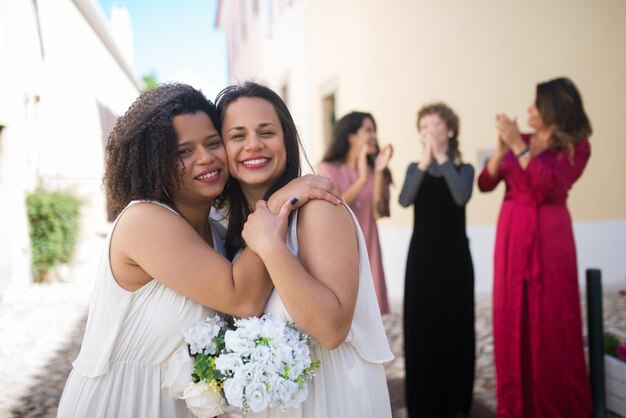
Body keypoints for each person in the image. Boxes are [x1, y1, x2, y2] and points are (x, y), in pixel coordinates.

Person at [56, 83, 342, 418]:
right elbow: (243, 298)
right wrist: (279, 200)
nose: (205, 158)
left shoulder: (220, 235)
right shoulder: (143, 221)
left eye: (212, 143)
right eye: (183, 151)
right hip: (122, 401)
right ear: (154, 162)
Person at [215, 81, 394, 418]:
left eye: (266, 132)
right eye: (237, 135)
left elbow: (331, 329)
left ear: (286, 140)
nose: (253, 145)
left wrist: (270, 246)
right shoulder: (225, 228)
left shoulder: (318, 209)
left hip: (332, 399)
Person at [478, 77, 593, 418]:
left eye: (535, 103)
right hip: (513, 236)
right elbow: (486, 183)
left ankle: (556, 403)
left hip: (550, 238)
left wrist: (519, 147)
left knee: (552, 319)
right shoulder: (519, 140)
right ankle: (517, 405)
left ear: (553, 109)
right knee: (511, 314)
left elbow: (552, 186)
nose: (528, 109)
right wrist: (502, 151)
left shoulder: (576, 147)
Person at [399, 103, 475, 418]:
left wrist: (441, 159)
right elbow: (404, 199)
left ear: (450, 130)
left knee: (455, 324)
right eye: (424, 127)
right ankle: (422, 402)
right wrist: (426, 161)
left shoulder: (464, 169)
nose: (429, 132)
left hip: (455, 258)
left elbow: (460, 196)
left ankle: (456, 401)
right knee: (421, 326)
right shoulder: (414, 168)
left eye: (436, 126)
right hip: (422, 259)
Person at [318, 112, 393, 315]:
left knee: (370, 315)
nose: (374, 135)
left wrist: (377, 172)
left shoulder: (377, 169)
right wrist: (360, 180)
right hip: (340, 250)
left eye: (375, 130)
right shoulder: (328, 169)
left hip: (369, 248)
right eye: (368, 130)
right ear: (351, 136)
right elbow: (333, 205)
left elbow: (379, 213)